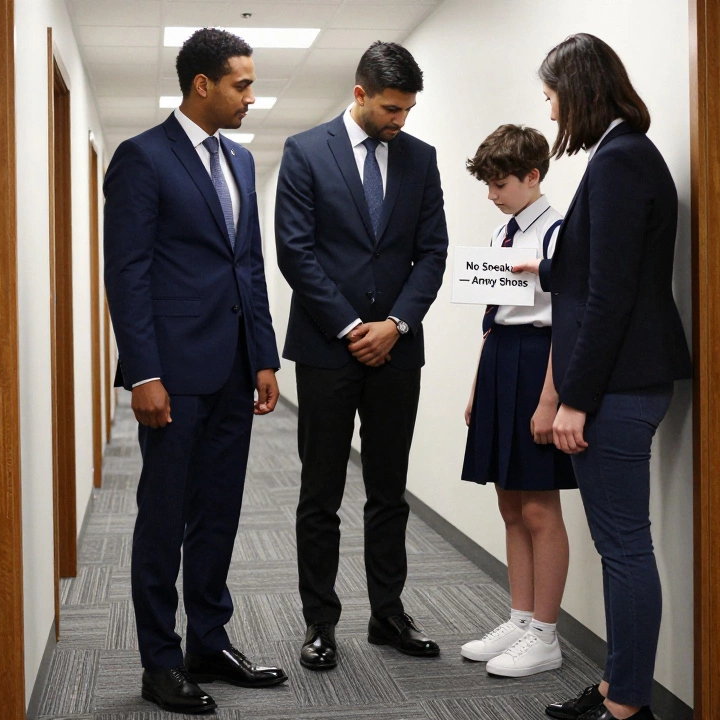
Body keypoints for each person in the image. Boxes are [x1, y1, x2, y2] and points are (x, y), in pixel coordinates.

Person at [103, 28, 287, 715]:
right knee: (164, 516)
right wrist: (143, 371)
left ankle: (208, 640)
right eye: (241, 83)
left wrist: (264, 356)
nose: (250, 95)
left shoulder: (239, 162)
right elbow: (127, 274)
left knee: (219, 514)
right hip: (173, 374)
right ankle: (159, 659)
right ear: (201, 85)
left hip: (234, 370)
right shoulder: (142, 159)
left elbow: (249, 267)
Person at [512, 34, 692, 720]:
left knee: (623, 546)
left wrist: (574, 401)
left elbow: (614, 294)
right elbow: (603, 264)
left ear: (581, 92)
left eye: (554, 97)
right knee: (622, 543)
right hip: (626, 379)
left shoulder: (619, 162)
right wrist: (547, 269)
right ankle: (621, 689)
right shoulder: (625, 156)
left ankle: (627, 706)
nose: (552, 113)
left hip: (616, 385)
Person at [275, 41, 449, 671]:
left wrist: (396, 323)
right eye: (390, 107)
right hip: (327, 349)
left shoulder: (420, 160)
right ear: (359, 95)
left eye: (406, 109)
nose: (399, 119)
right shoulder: (305, 152)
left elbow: (432, 252)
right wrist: (353, 326)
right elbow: (296, 253)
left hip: (398, 351)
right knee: (319, 491)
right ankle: (320, 621)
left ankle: (388, 612)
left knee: (389, 490)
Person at [457, 124, 577, 678]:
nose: (491, 194)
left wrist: (551, 398)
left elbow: (566, 325)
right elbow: (493, 320)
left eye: (499, 183)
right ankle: (521, 618)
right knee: (508, 503)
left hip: (539, 366)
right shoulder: (505, 233)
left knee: (538, 507)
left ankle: (546, 635)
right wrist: (479, 389)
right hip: (502, 361)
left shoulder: (557, 233)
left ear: (533, 176)